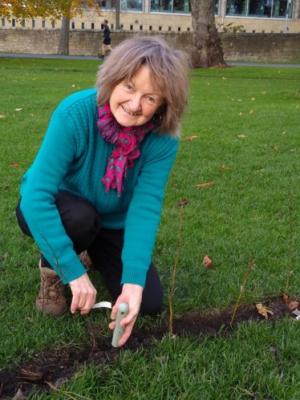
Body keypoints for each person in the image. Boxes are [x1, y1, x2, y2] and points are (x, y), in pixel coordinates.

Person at [16, 36, 189, 347]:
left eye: (150, 98)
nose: (135, 105)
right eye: (129, 87)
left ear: (164, 104)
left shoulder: (163, 139)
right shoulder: (75, 113)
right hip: (64, 209)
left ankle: (91, 250)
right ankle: (52, 267)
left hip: (112, 222)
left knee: (148, 303)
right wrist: (71, 272)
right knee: (80, 219)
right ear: (111, 80)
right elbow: (35, 195)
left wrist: (134, 283)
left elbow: (145, 207)